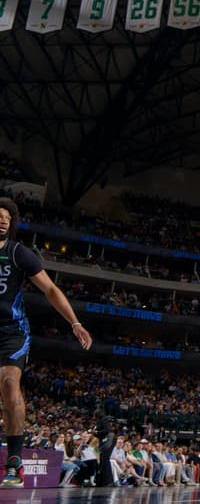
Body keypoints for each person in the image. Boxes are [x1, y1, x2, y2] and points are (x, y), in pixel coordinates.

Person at [0, 198, 92, 487]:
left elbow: (51, 289)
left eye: (7, 217)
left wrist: (74, 322)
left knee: (8, 383)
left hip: (11, 331)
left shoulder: (17, 252)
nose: (3, 220)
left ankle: (14, 463)